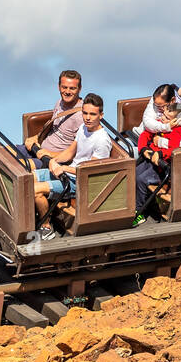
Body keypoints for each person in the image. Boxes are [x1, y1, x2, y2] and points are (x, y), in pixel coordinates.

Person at [31, 93, 111, 238]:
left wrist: (64, 168)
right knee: (27, 179)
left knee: (35, 189)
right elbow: (70, 152)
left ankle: (46, 226)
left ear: (101, 115)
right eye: (85, 113)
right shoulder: (83, 128)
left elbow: (89, 172)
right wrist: (55, 161)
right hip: (68, 173)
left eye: (92, 114)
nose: (88, 117)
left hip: (79, 182)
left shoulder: (102, 140)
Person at [134, 99, 181, 219]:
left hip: (162, 167)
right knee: (133, 173)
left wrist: (160, 153)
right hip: (150, 160)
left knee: (141, 179)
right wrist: (143, 149)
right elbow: (145, 134)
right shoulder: (162, 125)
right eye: (163, 115)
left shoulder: (177, 133)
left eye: (167, 118)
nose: (163, 119)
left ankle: (139, 212)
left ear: (179, 120)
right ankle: (135, 205)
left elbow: (173, 149)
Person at [16, 70, 83, 169]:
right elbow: (52, 128)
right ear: (58, 87)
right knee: (3, 153)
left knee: (16, 167)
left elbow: (76, 154)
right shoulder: (60, 102)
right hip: (38, 149)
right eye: (64, 87)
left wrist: (50, 154)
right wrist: (35, 138)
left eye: (72, 88)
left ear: (79, 89)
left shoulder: (81, 116)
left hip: (52, 160)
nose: (67, 92)